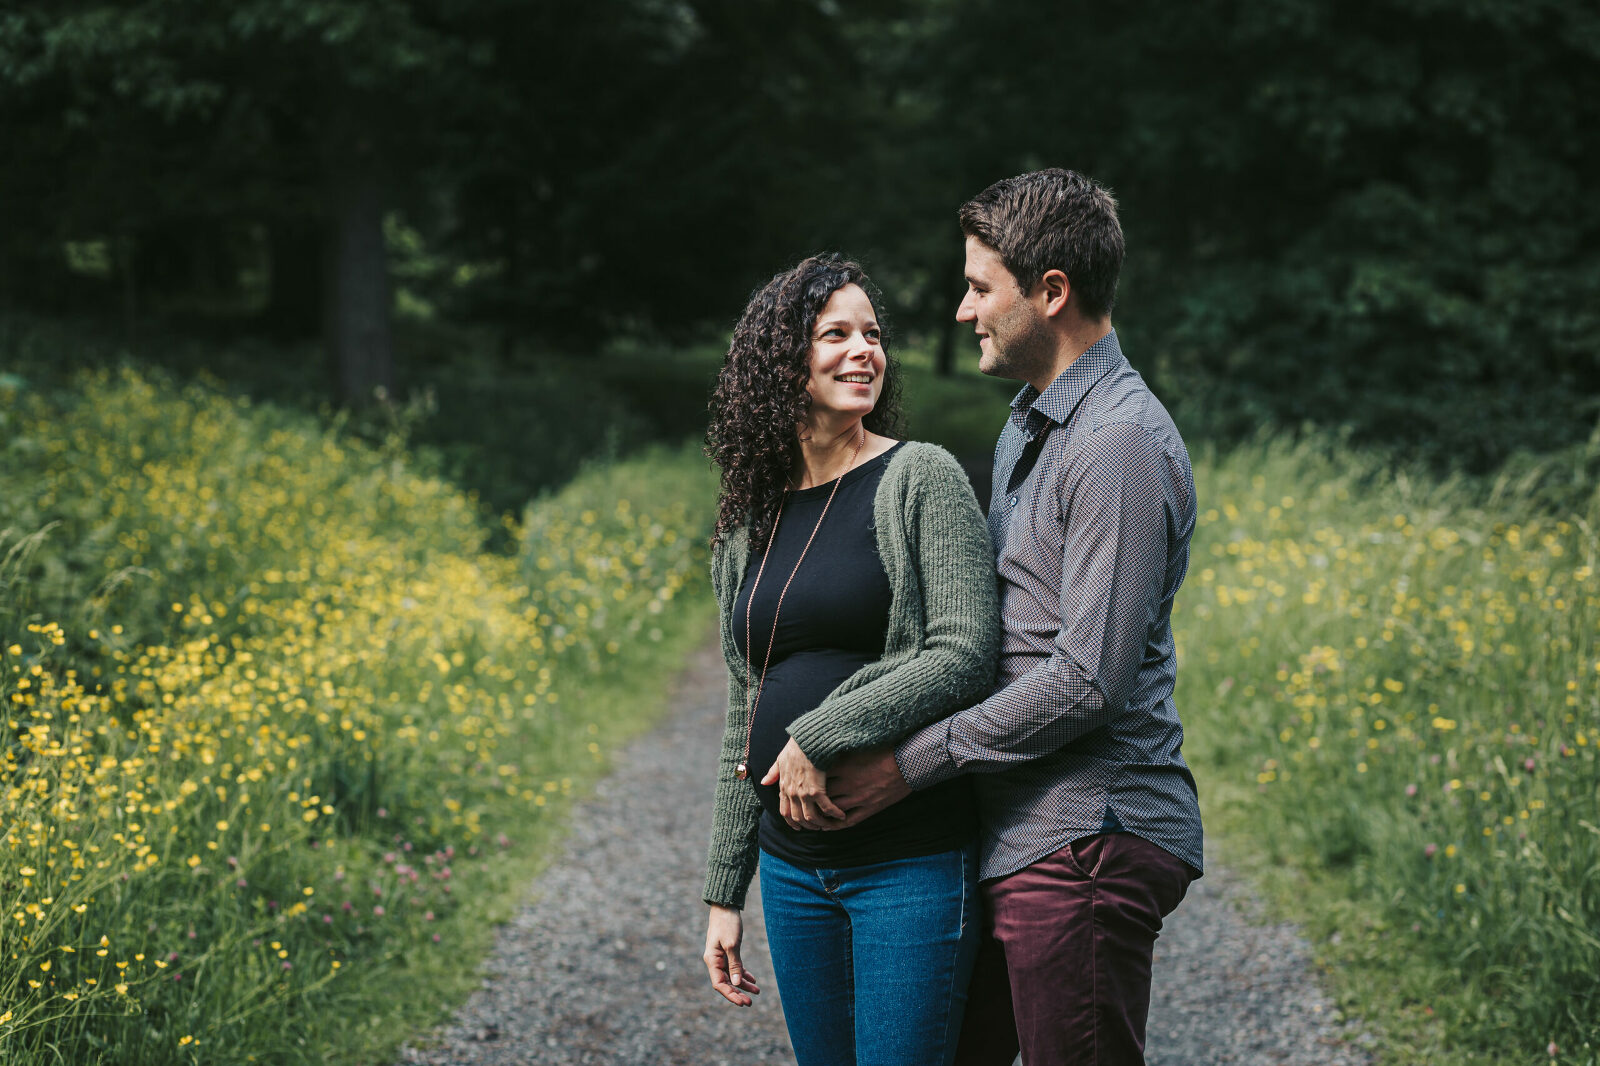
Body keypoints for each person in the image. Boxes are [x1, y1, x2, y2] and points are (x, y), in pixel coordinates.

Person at [821, 170, 1205, 1066]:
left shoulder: (1118, 444)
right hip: (1018, 837)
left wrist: (907, 767)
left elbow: (1087, 680)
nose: (964, 312)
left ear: (1052, 292)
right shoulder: (1034, 420)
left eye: (980, 287)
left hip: (1086, 838)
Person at [699, 253, 1001, 1066]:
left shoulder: (921, 477)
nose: (864, 351)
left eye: (873, 335)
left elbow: (965, 650)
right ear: (781, 359)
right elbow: (744, 705)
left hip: (908, 862)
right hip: (795, 873)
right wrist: (726, 889)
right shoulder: (747, 519)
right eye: (836, 334)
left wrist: (817, 736)